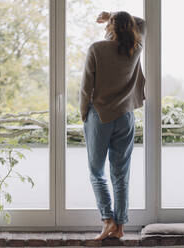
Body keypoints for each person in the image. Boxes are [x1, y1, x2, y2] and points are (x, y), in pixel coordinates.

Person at [79, 11, 146, 241]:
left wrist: (83, 114)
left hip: (100, 116)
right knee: (120, 174)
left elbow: (86, 88)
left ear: (111, 27)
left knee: (97, 172)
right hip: (125, 116)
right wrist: (113, 15)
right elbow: (142, 23)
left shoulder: (97, 49)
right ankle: (120, 227)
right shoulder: (135, 48)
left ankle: (107, 220)